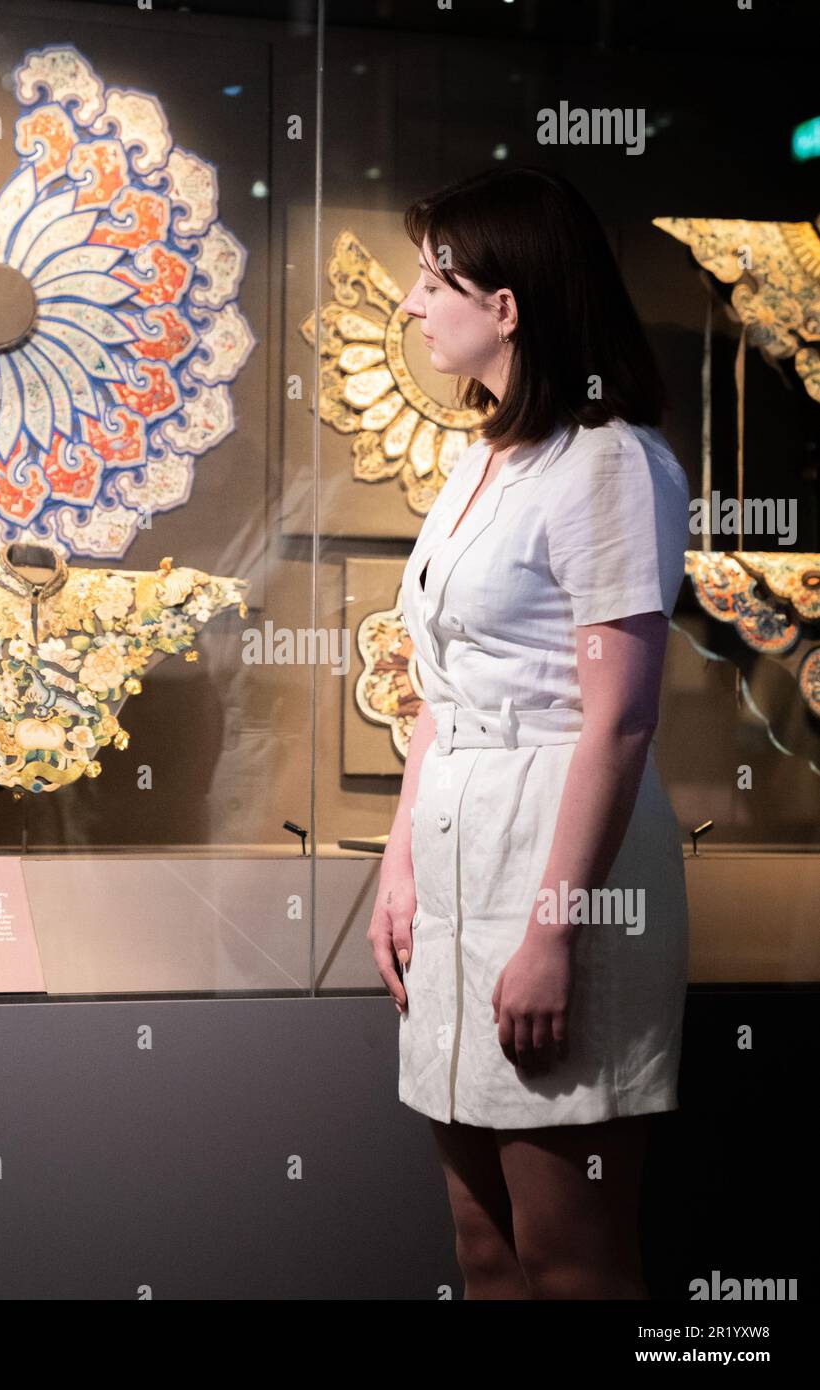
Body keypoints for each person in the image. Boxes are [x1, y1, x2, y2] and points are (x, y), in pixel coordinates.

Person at [368, 165, 690, 1300]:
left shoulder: (608, 464)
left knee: (571, 1254)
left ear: (505, 306)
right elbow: (440, 690)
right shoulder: (478, 458)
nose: (411, 302)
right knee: (481, 1241)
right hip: (458, 853)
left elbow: (618, 718)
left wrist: (553, 930)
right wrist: (397, 859)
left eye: (431, 278)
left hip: (560, 857)